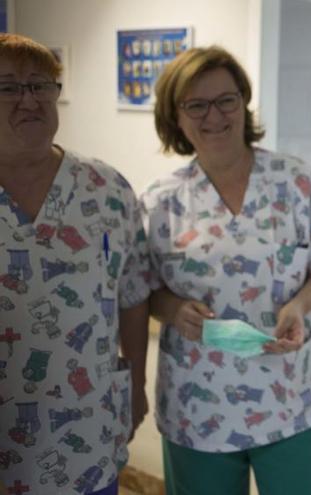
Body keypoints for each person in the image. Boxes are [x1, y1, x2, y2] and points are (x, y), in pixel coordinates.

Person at [141, 45, 311, 495]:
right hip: (197, 404)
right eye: (196, 105)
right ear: (175, 117)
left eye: (226, 100)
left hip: (292, 397)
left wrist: (301, 303)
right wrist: (172, 309)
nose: (214, 116)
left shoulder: (295, 181)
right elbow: (141, 290)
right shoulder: (162, 201)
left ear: (243, 102)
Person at [0, 33, 151, 495]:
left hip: (87, 436)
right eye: (7, 87)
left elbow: (133, 294)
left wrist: (137, 383)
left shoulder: (105, 188)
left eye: (41, 85)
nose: (29, 100)